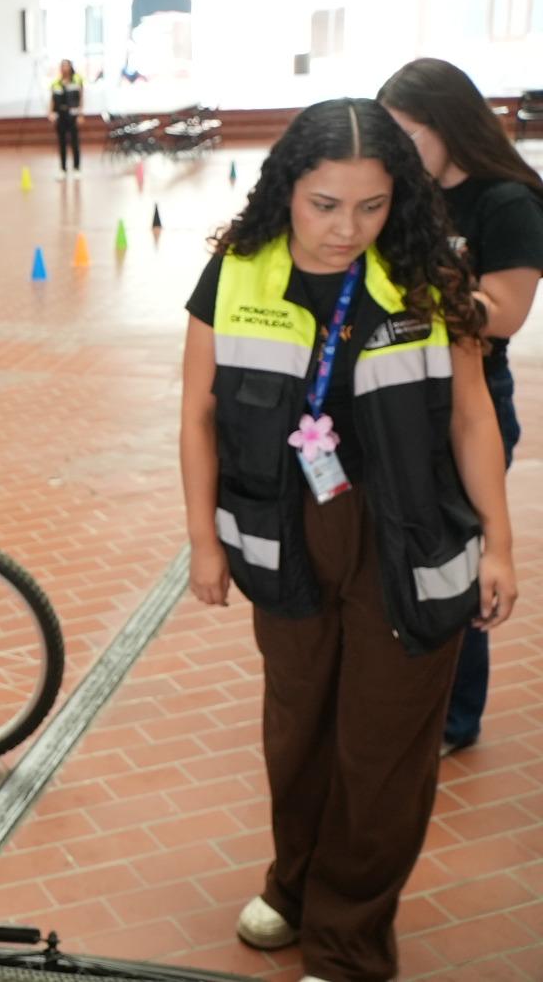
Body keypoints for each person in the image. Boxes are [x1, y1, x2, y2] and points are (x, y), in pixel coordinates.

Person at [179, 98, 515, 982]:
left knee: (384, 744)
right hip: (283, 531)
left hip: (411, 535)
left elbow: (475, 418)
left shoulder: (429, 272)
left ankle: (348, 938)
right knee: (296, 728)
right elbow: (197, 414)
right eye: (325, 205)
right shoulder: (236, 271)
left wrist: (504, 547)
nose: (348, 229)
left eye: (370, 207)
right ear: (288, 187)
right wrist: (202, 543)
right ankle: (293, 887)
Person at [379, 57, 543, 757]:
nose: (394, 153)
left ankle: (456, 717)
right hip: (402, 392)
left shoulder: (505, 202)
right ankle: (407, 696)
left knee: (460, 553)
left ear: (446, 125)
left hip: (473, 396)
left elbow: (504, 314)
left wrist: (414, 302)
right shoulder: (406, 192)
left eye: (406, 136)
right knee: (405, 548)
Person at [49, 59, 84, 178]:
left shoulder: (77, 80)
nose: (64, 68)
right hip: (61, 115)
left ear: (70, 67)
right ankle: (63, 169)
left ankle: (77, 168)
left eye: (66, 66)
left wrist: (80, 114)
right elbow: (52, 100)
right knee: (62, 143)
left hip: (73, 115)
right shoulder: (56, 83)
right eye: (62, 66)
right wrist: (51, 113)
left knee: (75, 143)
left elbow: (81, 98)